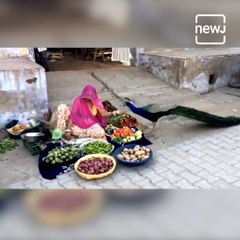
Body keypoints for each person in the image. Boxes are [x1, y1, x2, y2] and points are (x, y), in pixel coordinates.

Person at [54, 84, 124, 140]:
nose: (87, 99)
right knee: (61, 107)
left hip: (90, 123)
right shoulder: (78, 101)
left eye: (90, 96)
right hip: (76, 122)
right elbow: (73, 116)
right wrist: (68, 130)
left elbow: (103, 114)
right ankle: (62, 131)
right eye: (86, 96)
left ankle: (72, 132)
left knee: (101, 132)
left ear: (93, 95)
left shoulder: (96, 103)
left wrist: (114, 112)